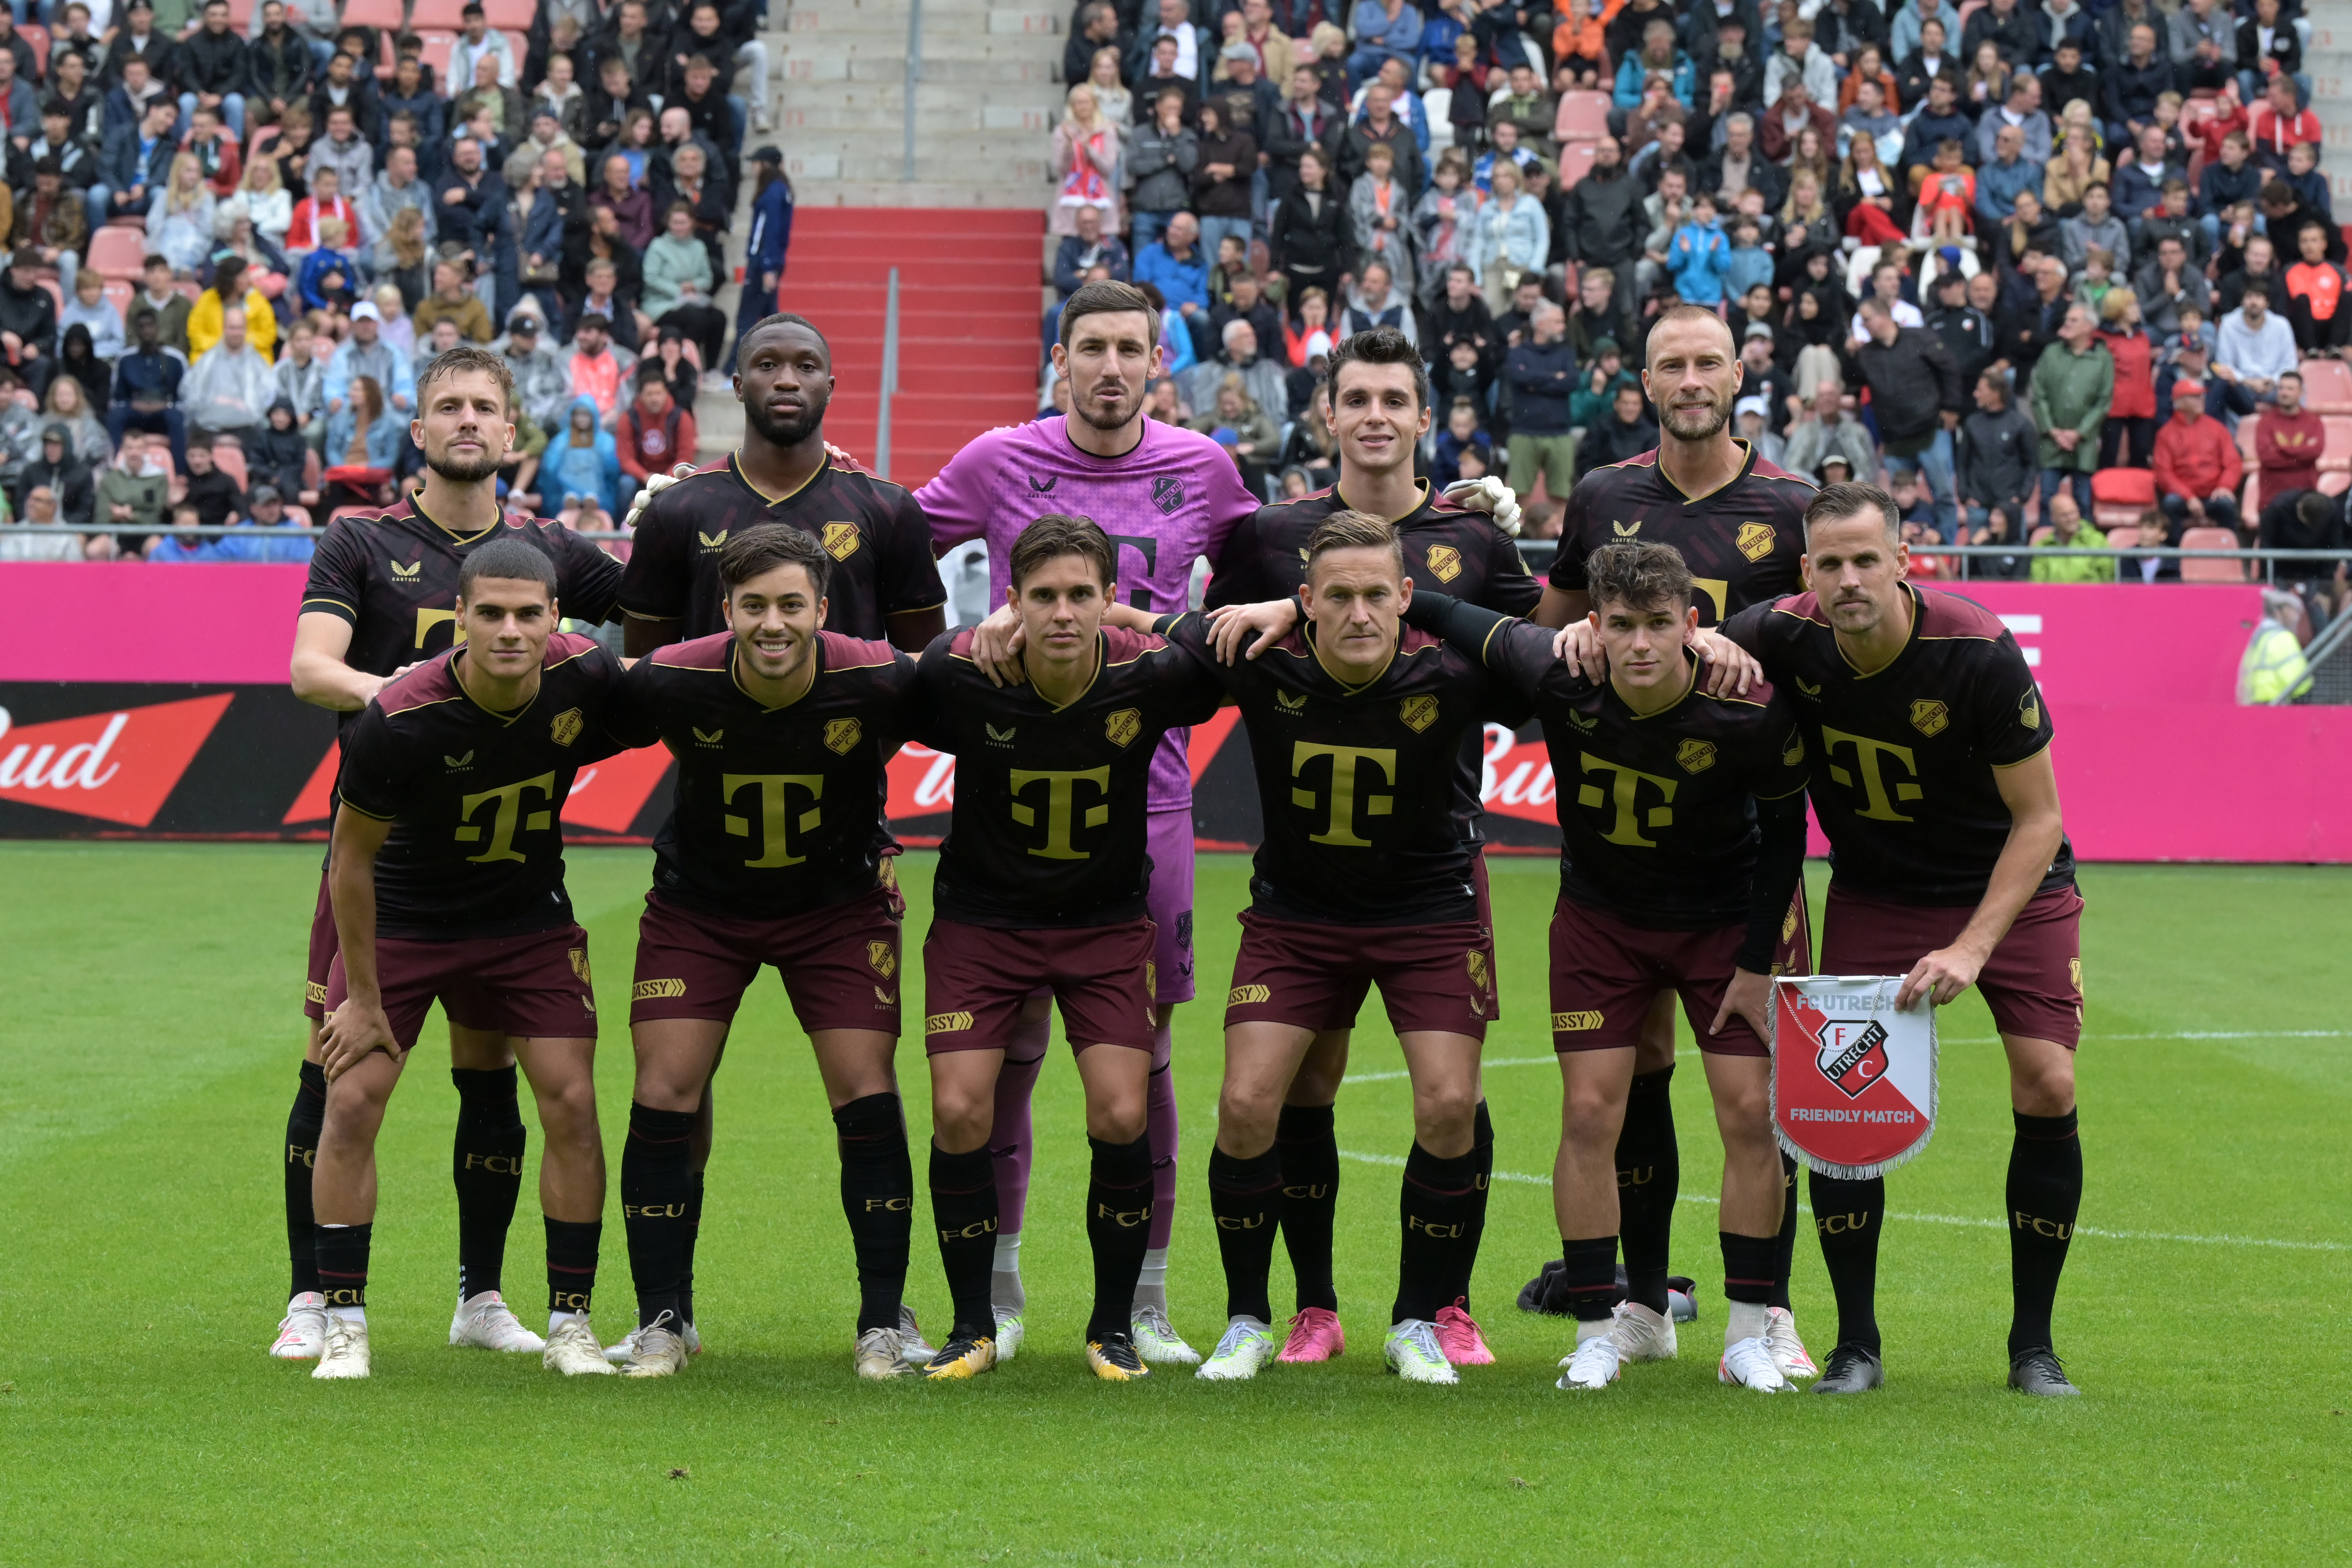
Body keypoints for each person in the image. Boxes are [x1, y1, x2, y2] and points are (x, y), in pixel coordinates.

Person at [912, 281, 1263, 1365]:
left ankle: (1145, 1302)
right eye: (1092, 348)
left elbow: (1260, 593)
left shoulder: (1202, 467)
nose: (1111, 368)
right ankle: (1002, 1295)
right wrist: (959, 644)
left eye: (1131, 349)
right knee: (1001, 1057)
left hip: (1152, 805)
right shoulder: (995, 459)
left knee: (1143, 1060)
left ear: (1157, 362)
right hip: (1019, 788)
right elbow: (883, 550)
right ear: (1059, 359)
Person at [272, 348, 625, 1367]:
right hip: (383, 858)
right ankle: (313, 1293)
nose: (467, 421)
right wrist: (437, 693)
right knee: (334, 1062)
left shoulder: (550, 547)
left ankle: (481, 1295)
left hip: (509, 876)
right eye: (447, 407)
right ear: (416, 430)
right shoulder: (360, 539)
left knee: (493, 1081)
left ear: (514, 434)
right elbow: (308, 667)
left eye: (486, 408)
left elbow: (665, 605)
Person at [1201, 329, 1535, 1365]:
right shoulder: (1268, 535)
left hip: (1438, 867)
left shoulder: (1469, 535)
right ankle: (1305, 1305)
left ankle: (1441, 1304)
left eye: (1398, 396)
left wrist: (1517, 551)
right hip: (1303, 877)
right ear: (1328, 415)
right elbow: (1202, 638)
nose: (1378, 415)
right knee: (1293, 1086)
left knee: (1451, 1097)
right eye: (1359, 398)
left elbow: (1536, 654)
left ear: (1423, 418)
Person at [1719, 481, 2083, 1398]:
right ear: (1806, 572)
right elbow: (1693, 641)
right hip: (1878, 891)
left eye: (1864, 561)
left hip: (2014, 886)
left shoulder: (1977, 649)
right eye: (1829, 564)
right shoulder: (1780, 633)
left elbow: (2038, 820)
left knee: (2047, 1082)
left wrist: (1969, 947)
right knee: (1838, 1112)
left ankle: (2033, 1347)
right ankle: (1855, 1345)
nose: (1848, 579)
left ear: (1902, 562)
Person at [1527, 304, 1820, 1376]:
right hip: (1619, 856)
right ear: (1642, 382)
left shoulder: (1793, 506)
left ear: (1738, 373)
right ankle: (1637, 1305)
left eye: (1707, 362)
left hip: (1744, 845)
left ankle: (1768, 1312)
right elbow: (1555, 620)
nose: (1690, 380)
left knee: (1752, 1097)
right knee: (1630, 1077)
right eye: (1670, 365)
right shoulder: (1605, 494)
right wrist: (1562, 628)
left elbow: (1832, 633)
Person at [598, 523, 934, 1377]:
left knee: (866, 1093)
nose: (773, 623)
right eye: (754, 605)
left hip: (838, 909)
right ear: (726, 609)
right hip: (700, 909)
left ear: (823, 607)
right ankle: (663, 1320)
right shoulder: (676, 676)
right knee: (664, 1089)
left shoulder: (880, 677)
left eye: (792, 604)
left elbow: (975, 688)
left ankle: (881, 1322)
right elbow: (570, 708)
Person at [909, 513, 1229, 1381]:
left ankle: (1111, 1324)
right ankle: (974, 1321)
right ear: (1011, 601)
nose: (1061, 612)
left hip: (1104, 929)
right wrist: (973, 635)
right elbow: (896, 682)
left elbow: (1219, 644)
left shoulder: (1147, 678)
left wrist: (1149, 623)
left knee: (1123, 1112)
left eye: (1081, 594)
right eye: (1042, 595)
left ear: (1108, 599)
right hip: (982, 926)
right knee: (961, 1109)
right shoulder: (962, 672)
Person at [2028, 304, 2111, 516]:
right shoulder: (2051, 353)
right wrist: (2052, 429)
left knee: (2083, 501)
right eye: (2067, 319)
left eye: (2074, 320)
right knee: (2047, 499)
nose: (2067, 324)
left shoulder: (2103, 359)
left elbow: (2103, 402)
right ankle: (2045, 545)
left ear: (2089, 327)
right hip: (2051, 440)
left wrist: (2079, 432)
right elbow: (2039, 395)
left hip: (2084, 442)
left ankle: (2083, 548)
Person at [2153, 381, 2246, 540]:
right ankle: (2173, 560)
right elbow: (2164, 473)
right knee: (2171, 504)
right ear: (2179, 403)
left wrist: (2225, 486)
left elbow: (2233, 463)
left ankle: (2231, 554)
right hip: (2183, 497)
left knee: (2227, 505)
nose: (2201, 399)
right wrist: (2188, 497)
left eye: (2201, 396)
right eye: (2195, 397)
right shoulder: (2166, 434)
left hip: (2214, 493)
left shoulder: (2217, 429)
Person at [2253, 369, 2323, 499]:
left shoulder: (2314, 422)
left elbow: (2315, 452)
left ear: (2301, 393)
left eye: (2290, 389)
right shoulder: (2265, 422)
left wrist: (2280, 449)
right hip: (2271, 499)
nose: (2284, 393)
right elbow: (2267, 458)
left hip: (2306, 498)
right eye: (2281, 388)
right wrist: (2301, 455)